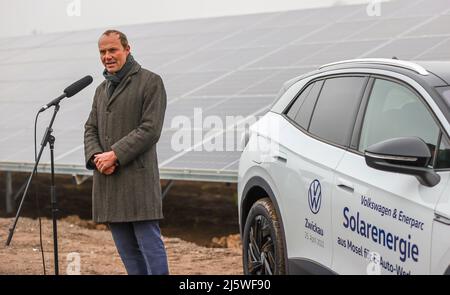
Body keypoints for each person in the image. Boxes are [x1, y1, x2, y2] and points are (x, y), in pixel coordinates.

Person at [84, 29, 168, 275]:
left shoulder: (150, 81)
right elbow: (90, 127)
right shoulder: (101, 90)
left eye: (112, 50)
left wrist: (115, 155)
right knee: (127, 251)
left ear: (127, 49)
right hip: (108, 180)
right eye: (102, 52)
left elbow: (150, 129)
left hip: (137, 181)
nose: (107, 56)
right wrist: (97, 157)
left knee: (150, 246)